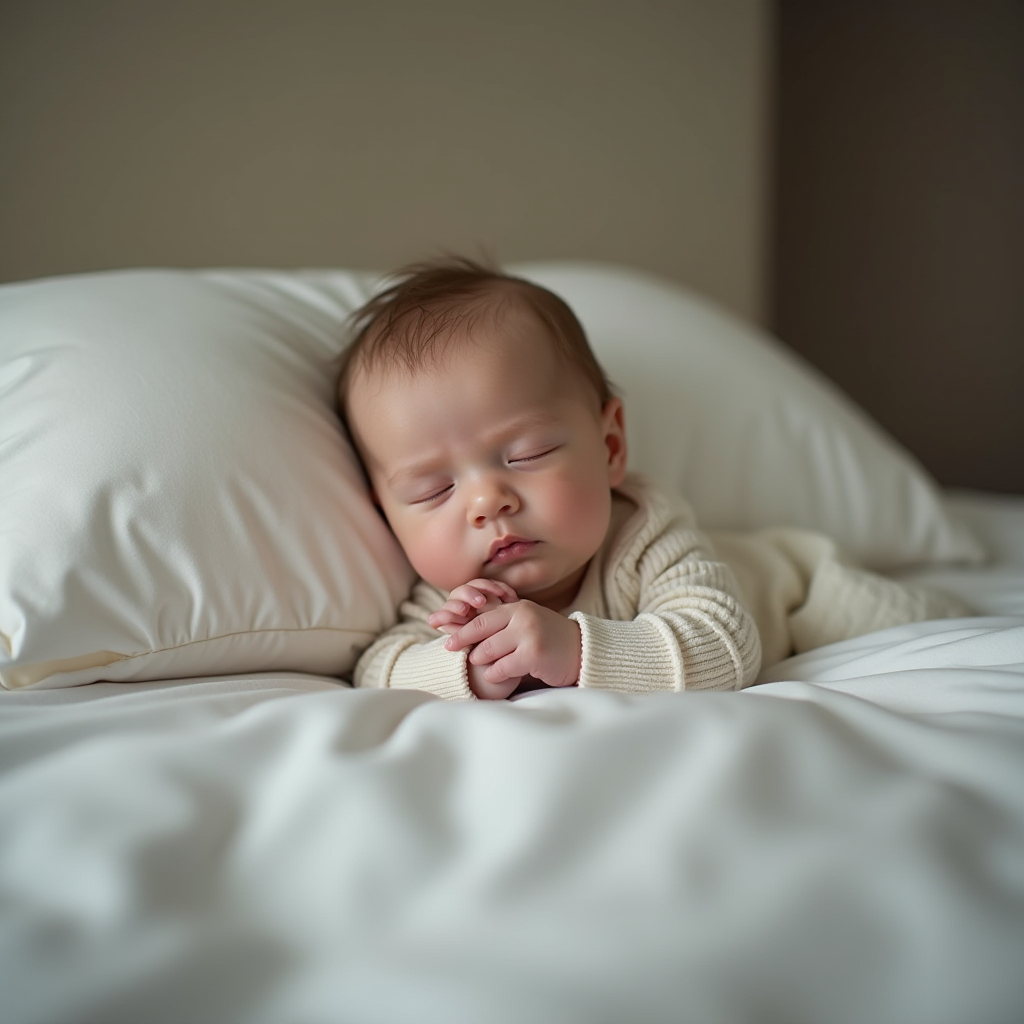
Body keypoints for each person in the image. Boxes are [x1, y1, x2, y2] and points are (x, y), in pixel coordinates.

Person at [337, 257, 969, 701]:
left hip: (794, 587)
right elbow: (379, 670)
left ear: (610, 446)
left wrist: (574, 650)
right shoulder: (455, 597)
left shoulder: (645, 533)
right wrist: (470, 672)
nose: (485, 501)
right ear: (388, 514)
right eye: (432, 491)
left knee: (937, 631)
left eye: (526, 454)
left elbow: (727, 647)